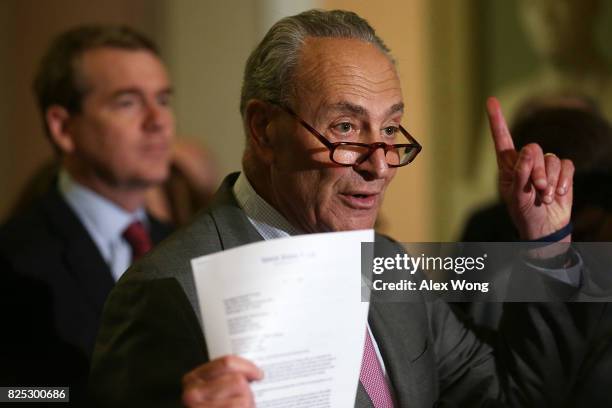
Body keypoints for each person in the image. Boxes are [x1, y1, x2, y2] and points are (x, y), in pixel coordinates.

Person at [90, 10, 588, 407]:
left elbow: (514, 396)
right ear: (264, 130)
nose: (381, 166)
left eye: (390, 131)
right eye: (346, 129)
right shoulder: (166, 290)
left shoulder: (390, 264)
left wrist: (544, 246)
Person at [0, 25, 175, 401]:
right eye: (127, 102)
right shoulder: (12, 258)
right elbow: (12, 394)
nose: (158, 121)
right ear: (63, 127)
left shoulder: (182, 243)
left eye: (162, 100)